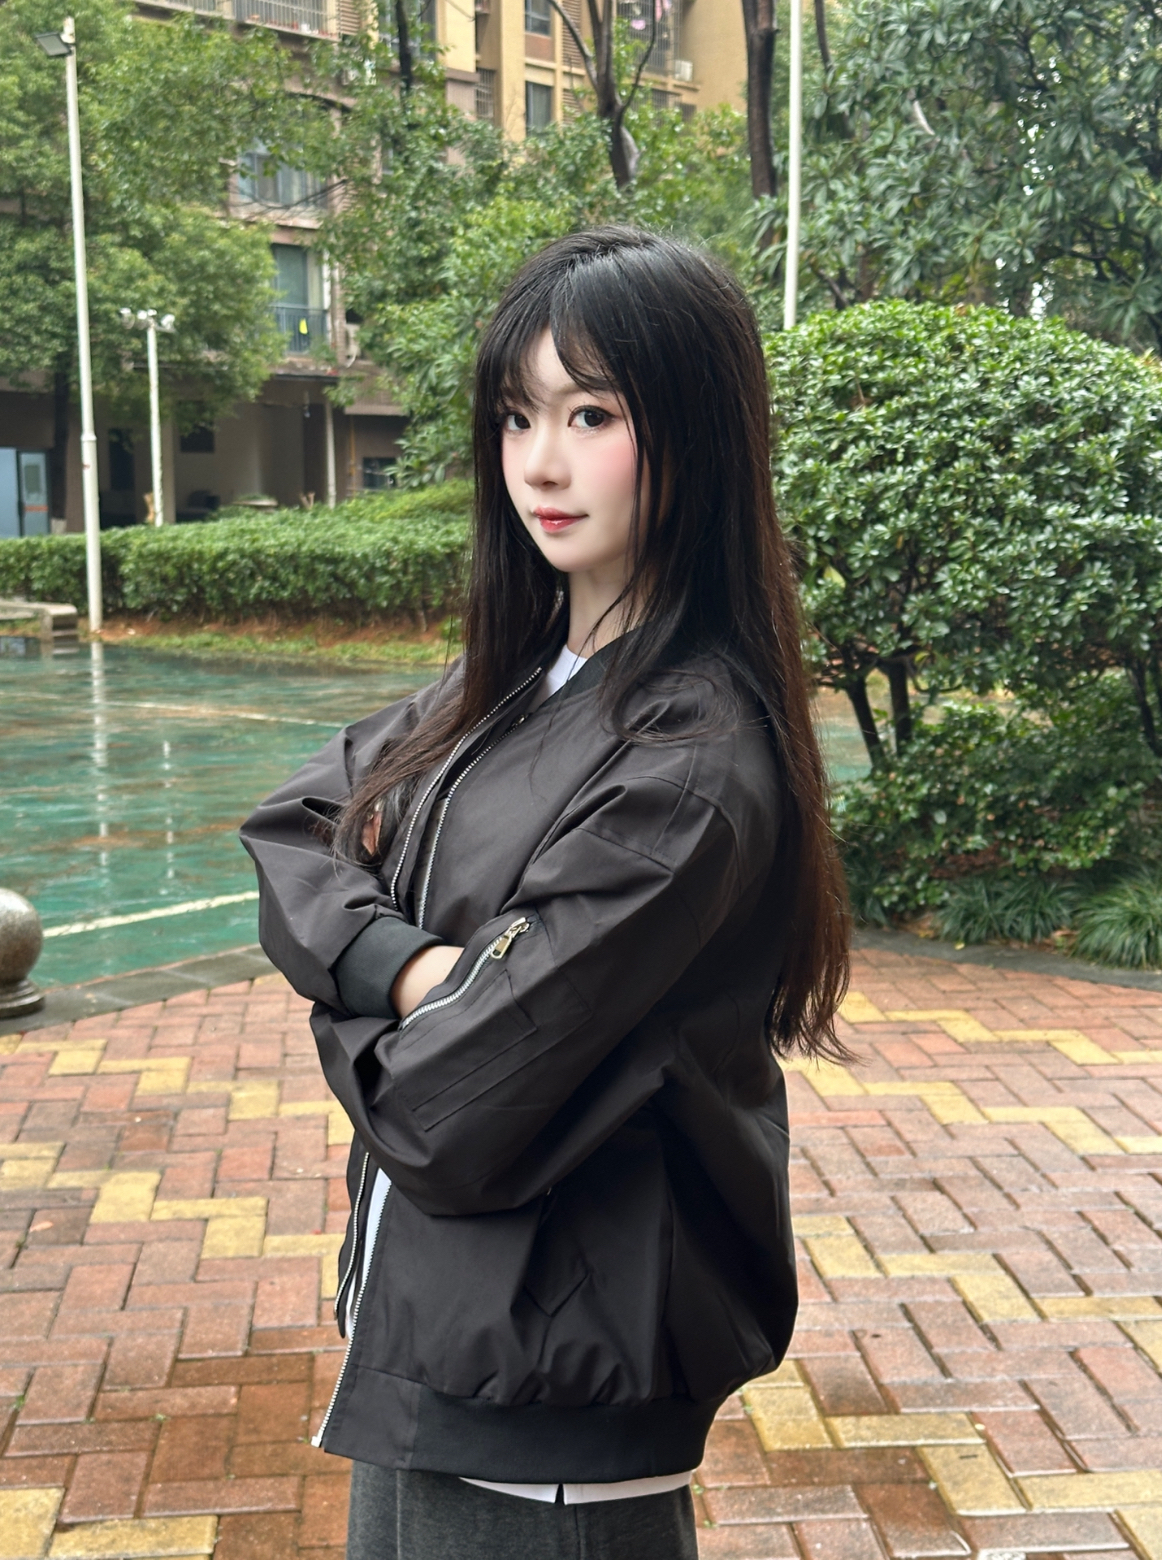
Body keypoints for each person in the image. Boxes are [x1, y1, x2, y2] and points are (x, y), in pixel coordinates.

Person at [240, 226, 850, 1560]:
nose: (540, 463)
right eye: (518, 415)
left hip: (553, 1404)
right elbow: (293, 829)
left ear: (698, 430)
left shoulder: (688, 764)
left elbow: (447, 1110)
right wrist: (411, 974)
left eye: (593, 415)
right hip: (433, 1345)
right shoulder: (505, 683)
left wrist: (338, 996)